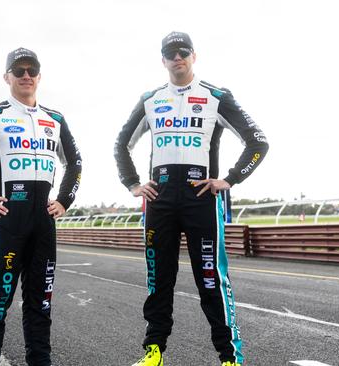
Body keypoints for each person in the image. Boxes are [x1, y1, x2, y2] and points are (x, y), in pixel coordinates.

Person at [114, 31, 269, 366]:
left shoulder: (216, 96)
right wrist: (133, 184)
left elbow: (258, 142)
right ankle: (153, 352)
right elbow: (120, 144)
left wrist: (229, 179)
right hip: (160, 199)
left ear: (194, 56)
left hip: (202, 198)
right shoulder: (150, 99)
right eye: (171, 53)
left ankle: (230, 357)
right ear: (163, 60)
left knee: (211, 279)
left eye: (183, 51)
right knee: (158, 280)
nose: (177, 57)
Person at [0, 47, 82, 366]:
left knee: (41, 304)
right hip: (6, 222)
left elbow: (75, 162)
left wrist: (65, 199)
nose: (25, 76)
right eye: (18, 71)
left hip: (43, 223)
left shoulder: (56, 119)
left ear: (39, 76)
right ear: (6, 77)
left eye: (31, 70)